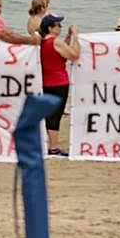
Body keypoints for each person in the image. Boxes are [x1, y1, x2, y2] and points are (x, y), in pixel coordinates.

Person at [39, 14, 80, 156]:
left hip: (46, 81)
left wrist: (68, 37)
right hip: (59, 82)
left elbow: (60, 53)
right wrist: (75, 36)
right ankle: (54, 147)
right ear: (50, 28)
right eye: (58, 25)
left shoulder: (43, 42)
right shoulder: (55, 42)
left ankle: (51, 145)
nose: (61, 27)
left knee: (50, 114)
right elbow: (74, 55)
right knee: (56, 115)